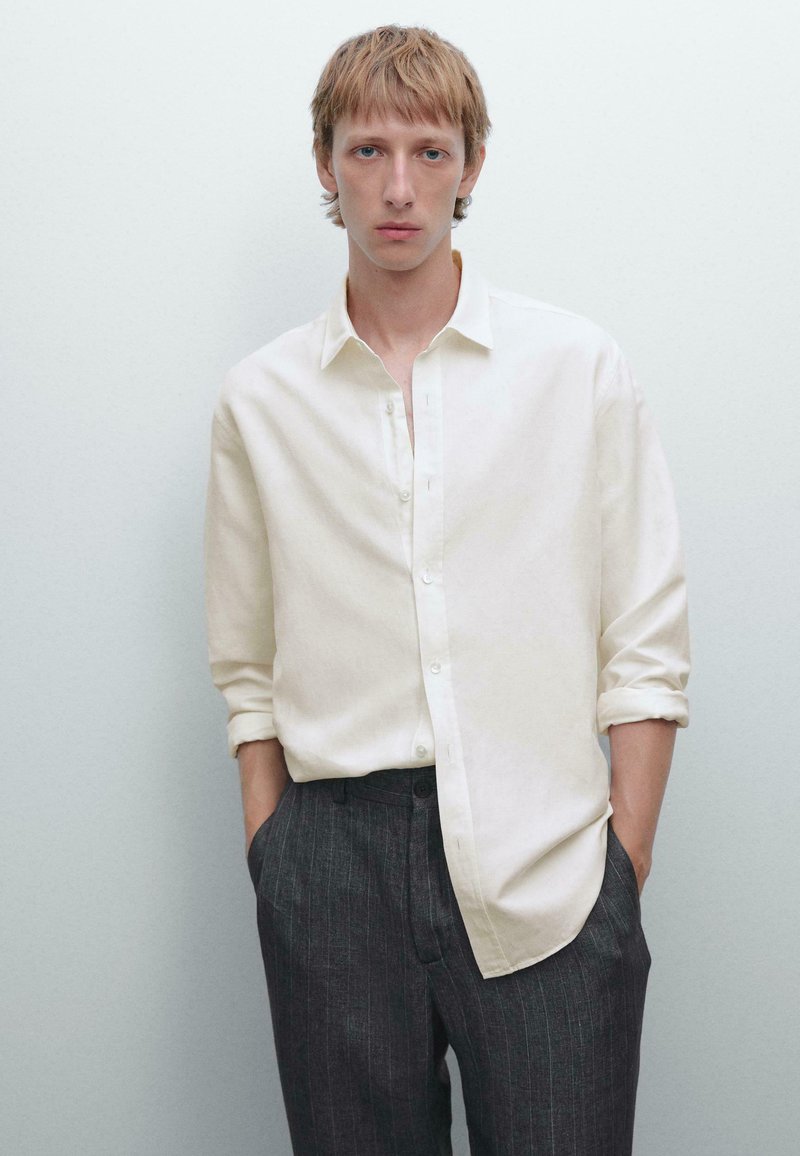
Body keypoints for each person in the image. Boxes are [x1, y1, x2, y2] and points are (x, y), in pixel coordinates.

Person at [203, 23, 691, 1156]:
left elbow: (644, 635)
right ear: (324, 164)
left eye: (429, 152)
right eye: (367, 151)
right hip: (333, 864)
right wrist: (276, 852)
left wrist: (620, 863)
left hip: (546, 858)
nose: (398, 189)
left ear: (471, 165)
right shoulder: (261, 401)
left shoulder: (574, 370)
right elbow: (246, 660)